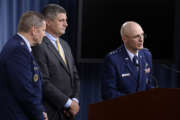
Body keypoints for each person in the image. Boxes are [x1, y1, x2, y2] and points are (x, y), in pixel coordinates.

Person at [32, 4, 80, 120]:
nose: (66, 24)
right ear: (47, 21)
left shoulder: (65, 45)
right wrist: (67, 103)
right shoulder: (39, 45)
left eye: (66, 20)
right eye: (61, 20)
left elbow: (75, 76)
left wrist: (75, 100)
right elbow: (43, 82)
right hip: (50, 112)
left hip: (68, 113)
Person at [0, 11, 48, 120]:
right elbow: (24, 90)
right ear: (34, 30)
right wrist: (39, 114)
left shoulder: (20, 46)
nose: (44, 34)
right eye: (43, 30)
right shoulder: (18, 50)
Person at [101, 21, 154, 100]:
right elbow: (108, 93)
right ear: (124, 39)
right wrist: (134, 101)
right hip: (122, 108)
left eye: (142, 35)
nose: (141, 39)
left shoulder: (147, 55)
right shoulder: (112, 59)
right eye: (136, 36)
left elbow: (149, 84)